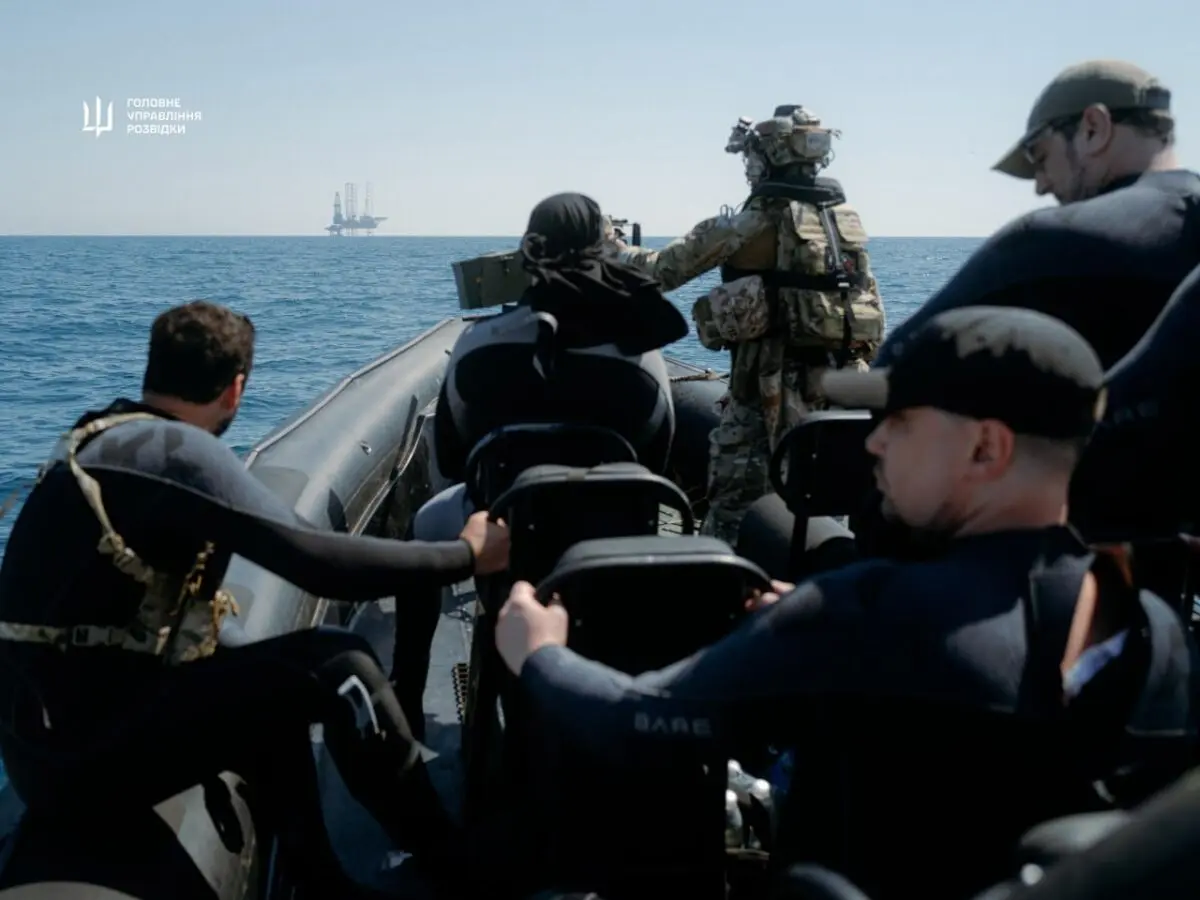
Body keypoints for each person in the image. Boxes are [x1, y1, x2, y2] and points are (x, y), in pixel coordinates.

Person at [493, 307, 1199, 900]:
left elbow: (633, 724)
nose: (874, 439)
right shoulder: (1159, 632)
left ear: (986, 448)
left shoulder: (861, 613)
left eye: (901, 421)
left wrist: (540, 652)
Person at [0, 301, 510, 898]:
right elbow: (320, 563)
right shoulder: (176, 454)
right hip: (89, 764)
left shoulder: (101, 439)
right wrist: (466, 555)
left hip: (43, 755)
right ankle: (452, 863)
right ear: (236, 389)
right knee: (340, 664)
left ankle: (317, 878)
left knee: (274, 682)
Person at [390, 191, 687, 737]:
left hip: (503, 533)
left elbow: (453, 459)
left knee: (420, 537)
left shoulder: (476, 344)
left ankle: (404, 698)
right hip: (615, 535)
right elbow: (656, 463)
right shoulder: (643, 355)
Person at [613, 105, 885, 545]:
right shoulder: (841, 222)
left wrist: (612, 247)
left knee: (733, 509)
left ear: (768, 155)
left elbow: (658, 271)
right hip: (840, 389)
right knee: (826, 503)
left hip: (768, 392)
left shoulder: (754, 220)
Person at [879, 60, 1199, 371]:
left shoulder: (1052, 243)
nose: (1041, 186)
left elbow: (894, 369)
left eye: (1040, 157)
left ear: (1093, 129)